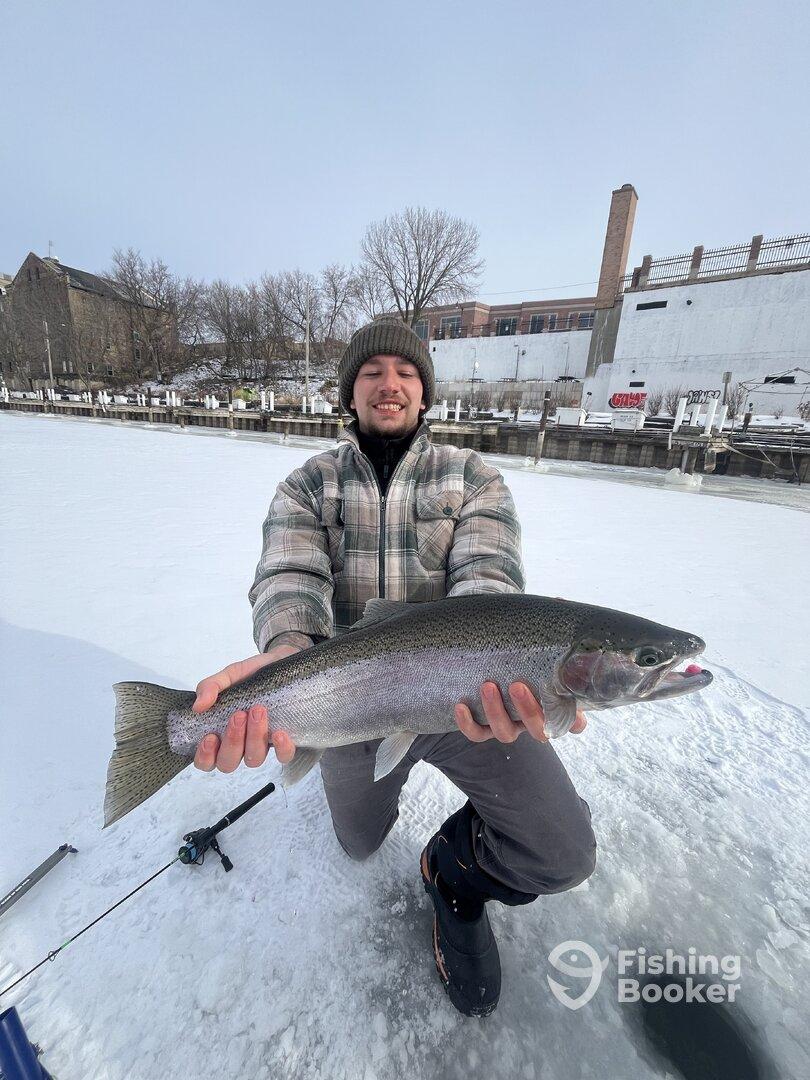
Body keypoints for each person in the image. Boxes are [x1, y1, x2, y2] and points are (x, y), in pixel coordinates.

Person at [191, 317, 596, 1017]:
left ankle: (453, 872)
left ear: (425, 392)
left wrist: (498, 663)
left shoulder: (475, 479)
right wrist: (288, 652)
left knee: (562, 852)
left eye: (406, 373)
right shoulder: (306, 485)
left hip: (471, 702)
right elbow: (289, 574)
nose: (390, 384)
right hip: (351, 704)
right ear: (350, 391)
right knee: (358, 844)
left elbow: (488, 576)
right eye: (373, 372)